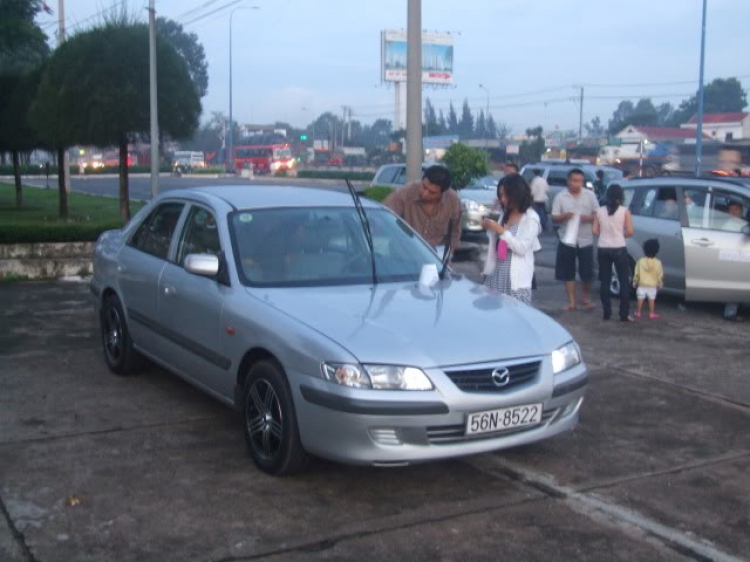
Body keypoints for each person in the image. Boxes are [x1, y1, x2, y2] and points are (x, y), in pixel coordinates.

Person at [481, 174, 541, 304]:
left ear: (517, 194)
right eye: (500, 195)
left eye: (506, 195)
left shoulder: (531, 218)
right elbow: (496, 241)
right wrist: (490, 225)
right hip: (495, 275)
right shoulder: (505, 214)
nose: (502, 199)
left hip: (515, 281)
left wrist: (501, 230)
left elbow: (521, 248)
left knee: (515, 318)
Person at [384, 165, 461, 254]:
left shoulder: (453, 201)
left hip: (434, 255)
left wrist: (448, 254)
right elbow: (385, 218)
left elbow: (455, 232)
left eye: (432, 192)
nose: (425, 194)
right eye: (424, 187)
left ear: (442, 193)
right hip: (402, 251)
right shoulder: (404, 193)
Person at [552, 168, 600, 311]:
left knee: (586, 271)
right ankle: (571, 301)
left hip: (585, 239)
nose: (577, 184)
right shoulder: (560, 197)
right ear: (568, 181)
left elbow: (598, 214)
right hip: (567, 238)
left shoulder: (590, 195)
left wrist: (588, 218)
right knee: (568, 271)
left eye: (580, 181)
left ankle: (585, 297)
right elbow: (554, 217)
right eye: (574, 181)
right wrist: (565, 216)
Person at [593, 184, 635, 322]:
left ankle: (606, 313)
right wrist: (621, 234)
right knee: (623, 282)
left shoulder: (599, 211)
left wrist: (604, 234)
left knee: (604, 281)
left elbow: (595, 231)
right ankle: (624, 314)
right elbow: (630, 231)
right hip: (619, 248)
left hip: (603, 248)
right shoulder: (625, 211)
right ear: (621, 197)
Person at [633, 239, 663, 319]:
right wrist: (659, 284)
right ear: (656, 250)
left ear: (644, 249)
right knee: (651, 299)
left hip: (642, 284)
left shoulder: (640, 261)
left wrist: (635, 282)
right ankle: (651, 313)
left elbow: (637, 273)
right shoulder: (658, 263)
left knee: (640, 298)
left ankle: (638, 312)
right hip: (653, 285)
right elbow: (659, 275)